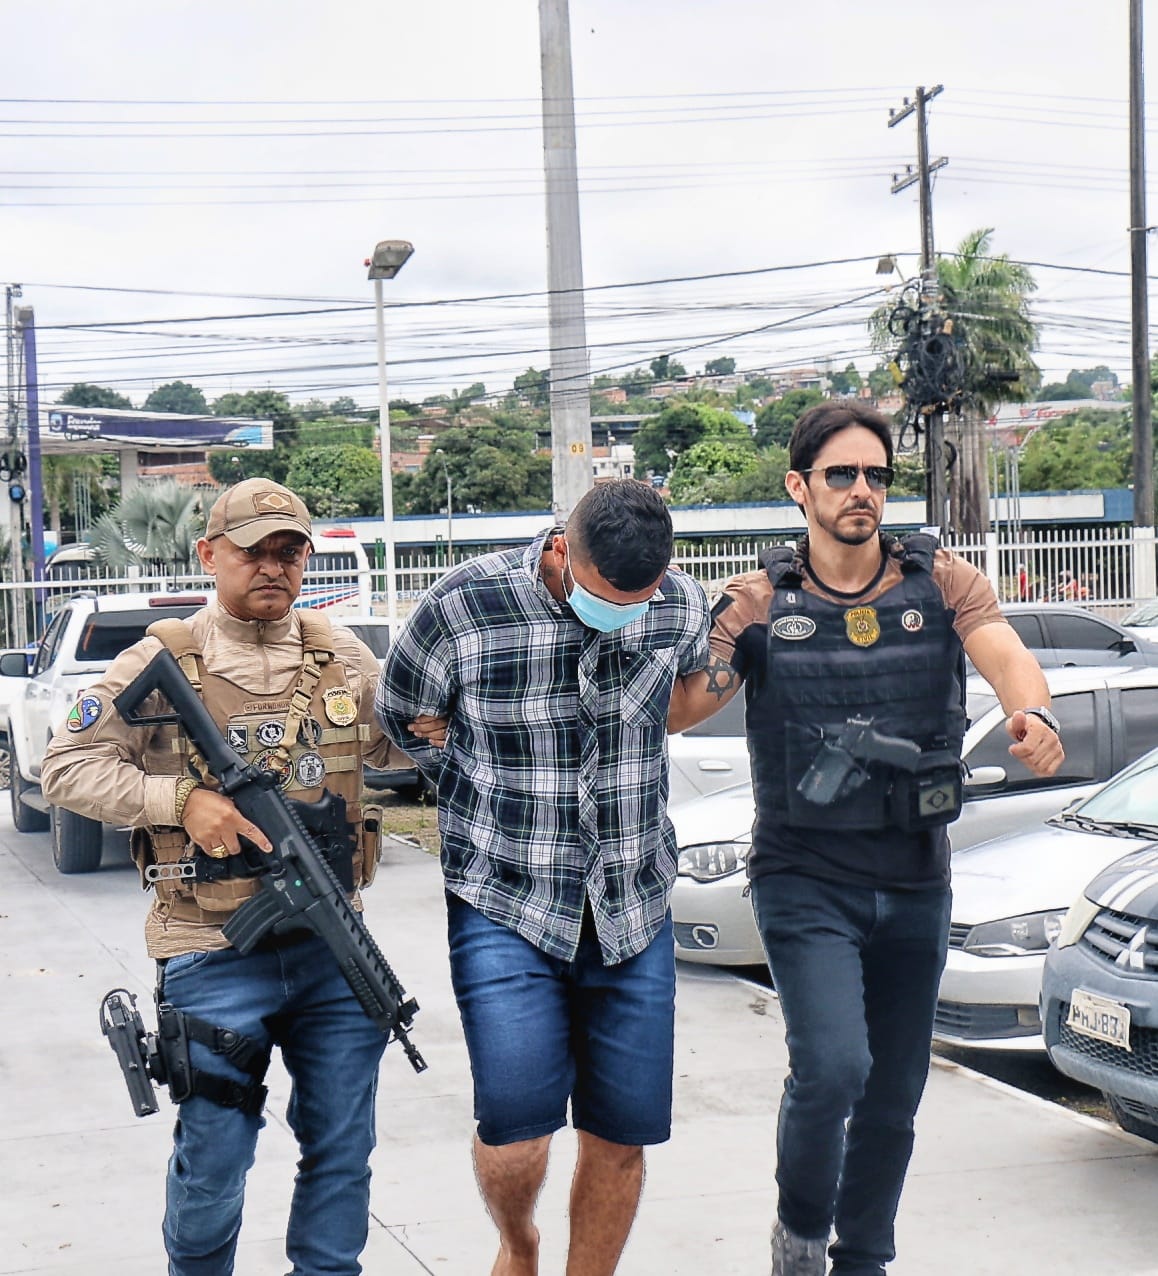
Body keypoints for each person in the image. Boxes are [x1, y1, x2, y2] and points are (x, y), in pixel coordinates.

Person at [667, 402, 1064, 1276]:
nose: (862, 491)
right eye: (842, 474)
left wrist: (1029, 709)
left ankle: (865, 1258)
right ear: (798, 487)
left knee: (894, 1092)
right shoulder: (760, 599)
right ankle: (802, 1233)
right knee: (836, 1068)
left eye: (877, 476)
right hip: (804, 877)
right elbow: (689, 700)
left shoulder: (942, 580)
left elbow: (1000, 649)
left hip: (917, 876)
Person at [41, 478, 411, 1276]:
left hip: (331, 946)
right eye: (254, 552)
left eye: (290, 552)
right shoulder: (160, 659)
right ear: (211, 555)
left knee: (343, 1150)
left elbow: (393, 750)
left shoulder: (340, 652)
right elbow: (66, 766)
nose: (273, 568)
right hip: (210, 949)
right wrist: (178, 799)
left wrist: (438, 722)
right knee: (213, 1164)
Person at [375, 479, 709, 1276]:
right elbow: (402, 713)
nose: (625, 611)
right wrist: (455, 762)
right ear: (563, 547)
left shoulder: (680, 605)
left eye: (639, 598)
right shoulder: (465, 604)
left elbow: (693, 685)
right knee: (516, 1133)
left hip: (632, 902)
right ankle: (517, 1241)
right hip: (506, 899)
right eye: (606, 596)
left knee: (622, 1134)